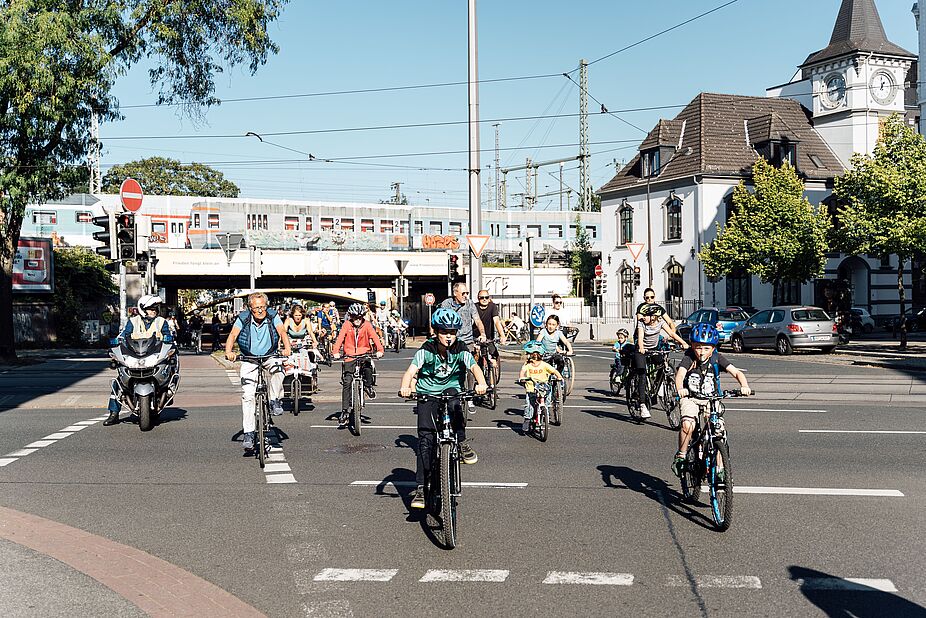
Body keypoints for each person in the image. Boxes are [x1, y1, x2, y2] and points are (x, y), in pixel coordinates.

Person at [399, 308, 488, 509]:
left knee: (455, 401)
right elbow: (411, 371)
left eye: (453, 332)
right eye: (444, 331)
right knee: (425, 440)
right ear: (436, 331)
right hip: (427, 393)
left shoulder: (461, 348)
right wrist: (405, 387)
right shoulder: (426, 350)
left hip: (450, 389)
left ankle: (462, 443)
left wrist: (481, 384)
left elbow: (474, 367)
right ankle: (421, 488)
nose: (449, 336)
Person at [672, 323, 752, 477]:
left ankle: (721, 469)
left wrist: (744, 386)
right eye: (698, 347)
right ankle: (681, 456)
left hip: (711, 399)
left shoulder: (717, 358)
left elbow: (736, 373)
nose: (701, 352)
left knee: (718, 430)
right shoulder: (689, 357)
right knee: (687, 425)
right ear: (692, 345)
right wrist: (680, 388)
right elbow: (680, 374)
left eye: (706, 348)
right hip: (691, 398)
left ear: (713, 348)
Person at [224, 292, 291, 452]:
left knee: (279, 370)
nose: (260, 311)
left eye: (263, 307)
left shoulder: (273, 316)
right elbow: (233, 335)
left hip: (269, 354)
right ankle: (248, 433)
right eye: (256, 308)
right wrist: (229, 351)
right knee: (248, 396)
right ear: (250, 308)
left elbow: (282, 331)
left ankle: (274, 399)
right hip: (249, 358)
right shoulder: (243, 318)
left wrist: (287, 348)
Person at [104, 294, 174, 426]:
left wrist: (171, 345)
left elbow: (167, 336)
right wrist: (115, 347)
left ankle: (165, 394)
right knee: (119, 383)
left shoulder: (161, 322)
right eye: (151, 308)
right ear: (143, 308)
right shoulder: (133, 321)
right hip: (136, 357)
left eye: (155, 308)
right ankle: (113, 413)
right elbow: (123, 335)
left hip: (154, 357)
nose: (154, 310)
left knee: (170, 371)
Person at [332, 302, 384, 428]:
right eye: (355, 317)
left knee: (367, 367)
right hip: (349, 355)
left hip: (364, 352)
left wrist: (380, 350)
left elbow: (375, 337)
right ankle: (345, 412)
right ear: (350, 316)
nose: (357, 320)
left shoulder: (367, 325)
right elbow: (339, 339)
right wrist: (335, 352)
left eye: (360, 317)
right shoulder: (346, 325)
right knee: (347, 382)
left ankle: (368, 386)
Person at [631, 305, 689, 419]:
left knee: (663, 363)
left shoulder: (660, 322)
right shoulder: (641, 323)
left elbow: (672, 334)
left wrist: (683, 343)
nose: (643, 317)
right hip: (642, 351)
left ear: (653, 317)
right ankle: (643, 405)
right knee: (642, 374)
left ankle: (660, 384)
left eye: (645, 316)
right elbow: (641, 337)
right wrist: (641, 347)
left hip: (653, 349)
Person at [438, 282, 487, 412]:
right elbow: (439, 321)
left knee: (470, 366)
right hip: (451, 341)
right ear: (455, 293)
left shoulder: (470, 304)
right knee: (446, 365)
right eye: (463, 293)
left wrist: (482, 333)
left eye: (467, 293)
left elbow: (477, 320)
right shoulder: (446, 304)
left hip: (467, 341)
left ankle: (469, 396)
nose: (466, 295)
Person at [518, 340, 563, 432]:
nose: (534, 359)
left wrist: (559, 377)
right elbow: (522, 371)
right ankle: (527, 419)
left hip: (544, 388)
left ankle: (544, 414)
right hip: (531, 388)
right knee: (529, 405)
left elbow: (554, 371)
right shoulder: (528, 365)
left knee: (546, 403)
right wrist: (522, 378)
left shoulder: (544, 365)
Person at [474, 290, 507, 371]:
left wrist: (502, 335)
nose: (484, 299)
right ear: (478, 298)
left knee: (492, 353)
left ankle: (492, 371)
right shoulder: (474, 307)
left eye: (486, 297)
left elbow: (496, 321)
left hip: (489, 337)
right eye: (482, 298)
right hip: (476, 336)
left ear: (489, 298)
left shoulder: (492, 307)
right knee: (476, 355)